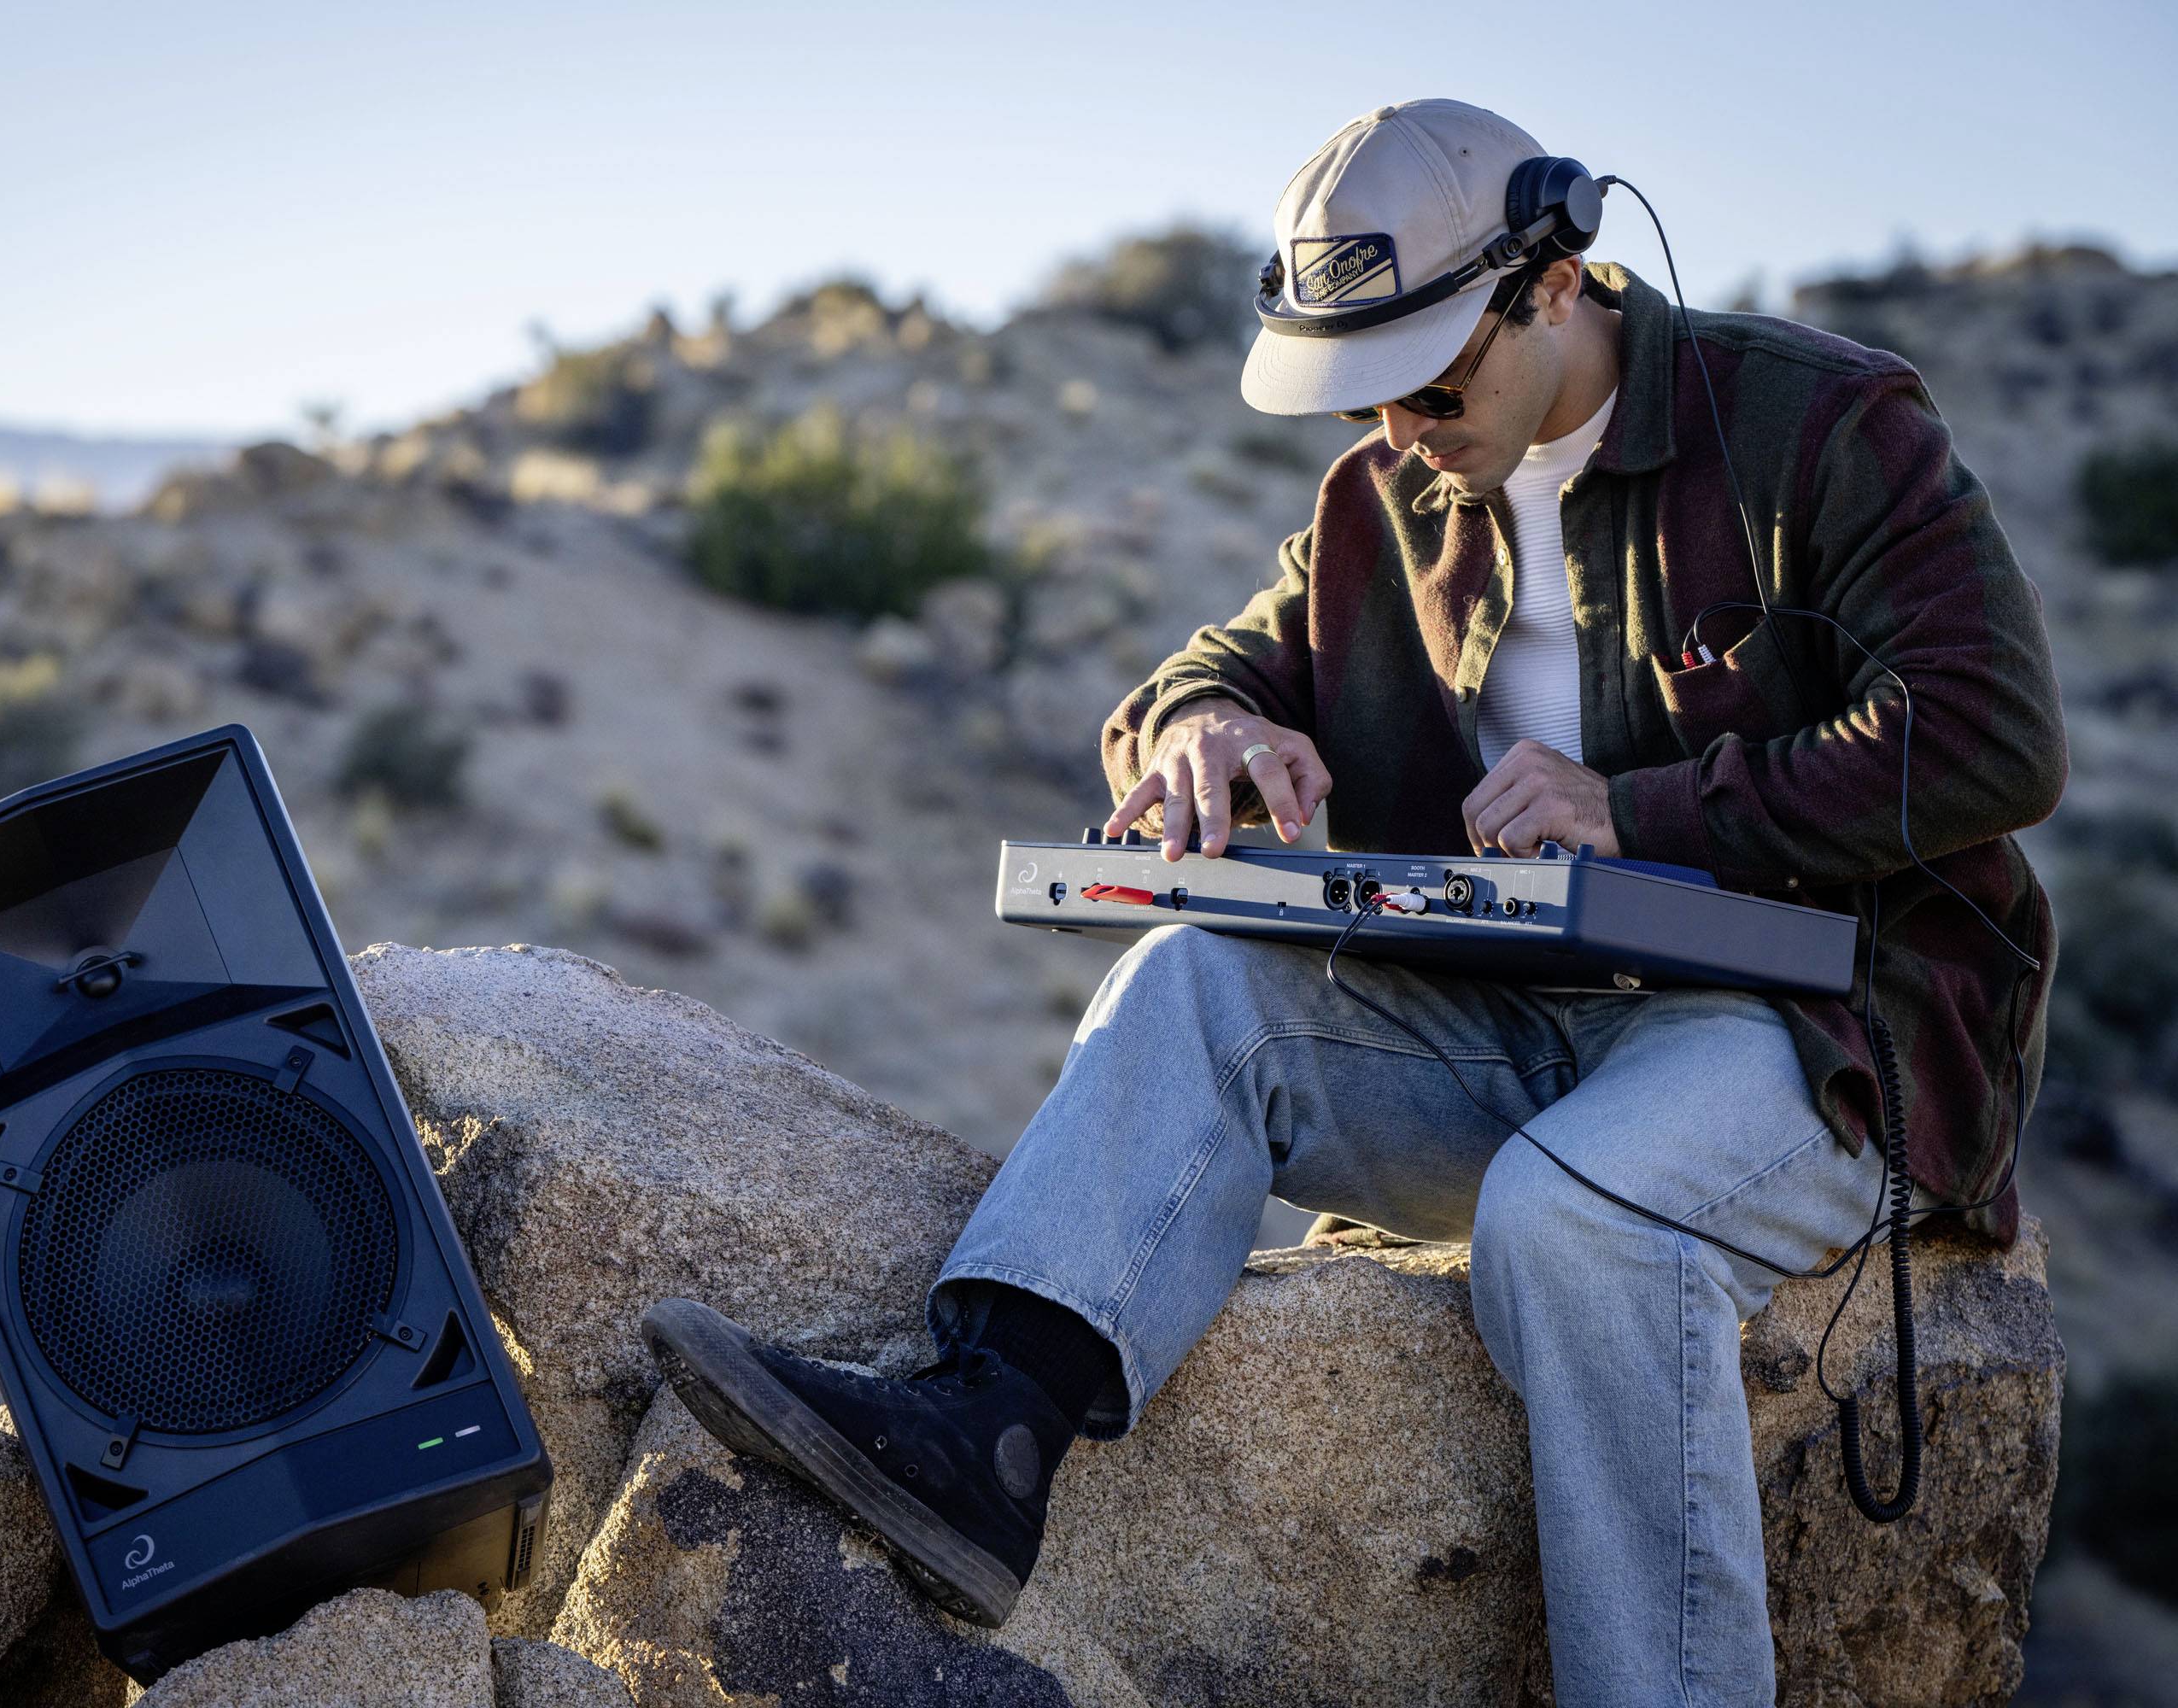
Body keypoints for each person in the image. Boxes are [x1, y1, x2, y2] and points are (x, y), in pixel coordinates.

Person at [642, 97, 2064, 1705]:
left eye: (1429, 379)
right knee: (1198, 980)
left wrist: (1644, 812)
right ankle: (987, 1434)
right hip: (1515, 1025)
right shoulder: (1378, 499)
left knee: (1576, 1218)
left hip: (1808, 1032)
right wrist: (1205, 730)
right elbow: (1211, 668)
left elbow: (1995, 734)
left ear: (1553, 276)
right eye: (1360, 390)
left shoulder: (1822, 425)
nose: (1396, 430)